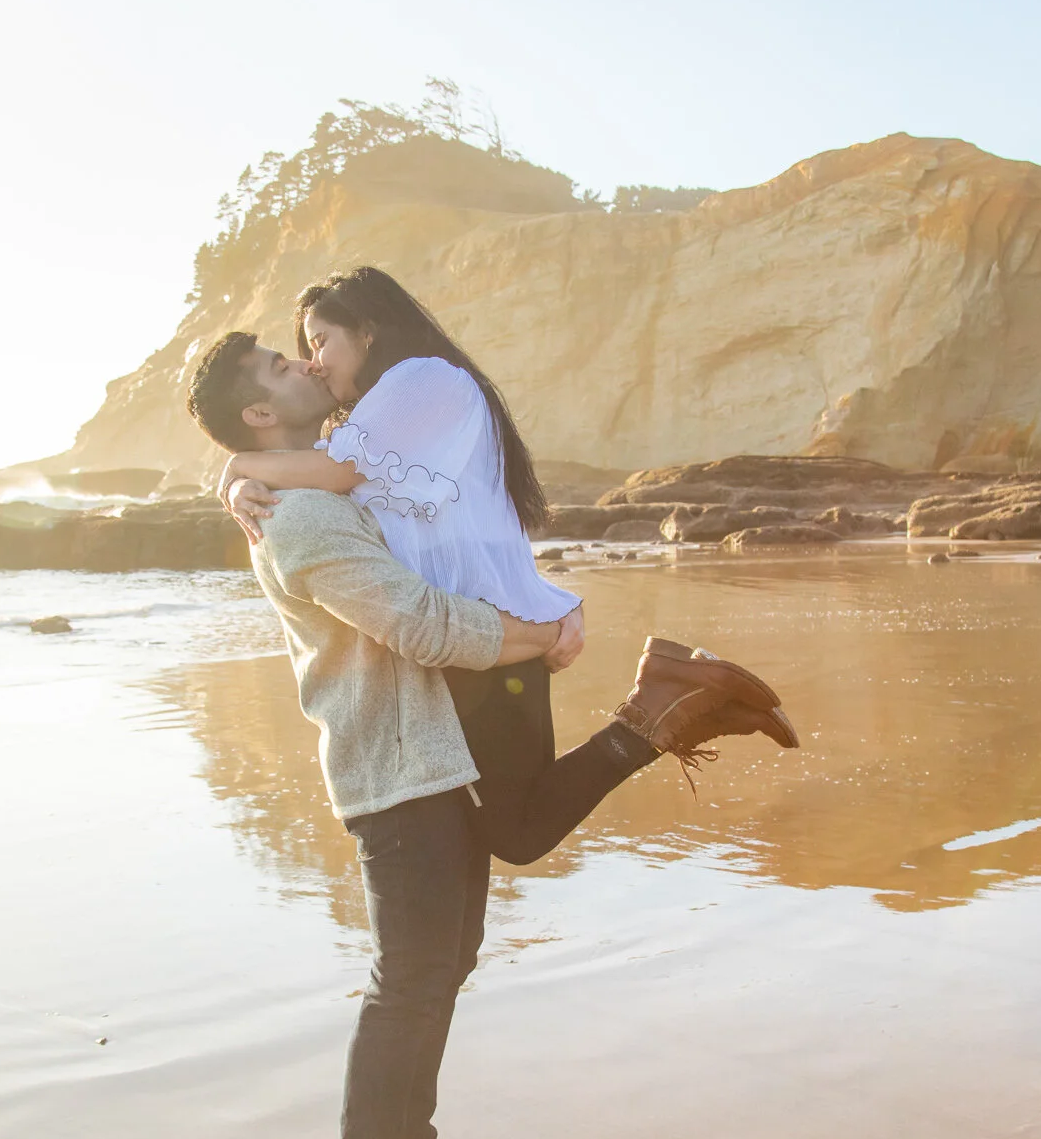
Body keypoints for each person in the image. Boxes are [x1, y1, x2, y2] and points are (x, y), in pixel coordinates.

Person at [186, 330, 795, 1139]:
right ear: (260, 414)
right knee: (408, 980)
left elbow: (445, 516)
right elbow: (420, 624)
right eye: (277, 366)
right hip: (395, 768)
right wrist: (542, 634)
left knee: (447, 958)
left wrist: (235, 470)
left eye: (299, 351)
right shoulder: (302, 517)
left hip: (442, 749)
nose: (303, 364)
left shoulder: (331, 478)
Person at [214, 268, 798, 865]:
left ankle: (665, 703)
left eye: (320, 341)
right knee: (512, 829)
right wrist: (241, 485)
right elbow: (332, 490)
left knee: (516, 832)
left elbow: (332, 476)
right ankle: (677, 704)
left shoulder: (422, 379)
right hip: (475, 636)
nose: (313, 362)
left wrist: (239, 467)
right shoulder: (383, 415)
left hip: (486, 637)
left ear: (366, 331)